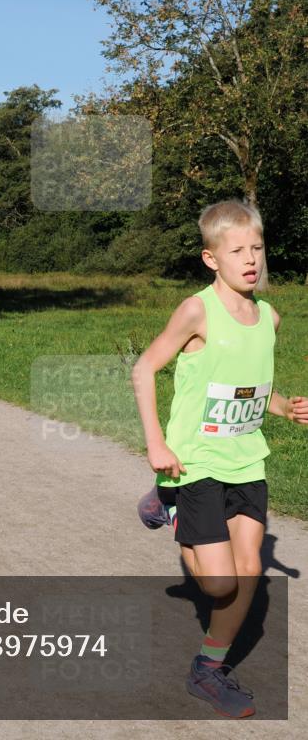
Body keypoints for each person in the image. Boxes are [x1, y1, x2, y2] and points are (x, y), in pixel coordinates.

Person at [132, 199, 307, 718]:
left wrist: (287, 408)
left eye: (256, 248)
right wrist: (156, 444)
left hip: (248, 461)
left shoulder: (268, 318)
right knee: (218, 583)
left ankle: (208, 671)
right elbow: (144, 370)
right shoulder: (196, 310)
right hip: (196, 463)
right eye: (237, 251)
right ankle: (171, 503)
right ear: (212, 259)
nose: (250, 259)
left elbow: (255, 390)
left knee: (249, 573)